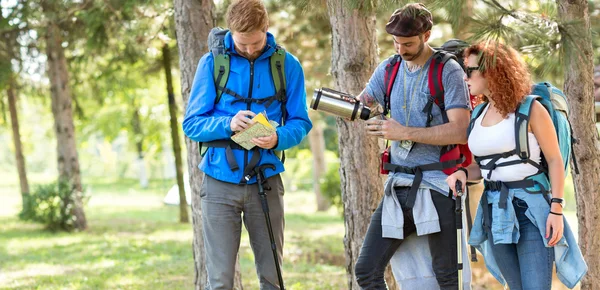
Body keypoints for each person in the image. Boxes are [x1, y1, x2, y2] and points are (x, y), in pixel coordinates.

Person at [182, 0, 312, 289]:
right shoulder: (212, 63)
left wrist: (279, 137)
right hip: (218, 182)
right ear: (231, 31)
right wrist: (227, 124)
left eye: (255, 43)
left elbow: (300, 122)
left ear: (266, 28)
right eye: (242, 44)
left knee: (272, 276)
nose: (250, 50)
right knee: (220, 280)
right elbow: (191, 125)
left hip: (266, 180)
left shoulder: (287, 65)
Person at [446, 41, 587, 290]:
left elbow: (553, 159)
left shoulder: (530, 109)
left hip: (530, 211)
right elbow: (485, 167)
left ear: (492, 71)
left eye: (469, 71)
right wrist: (462, 172)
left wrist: (556, 209)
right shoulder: (478, 114)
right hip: (494, 212)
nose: (464, 77)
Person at [353, 3, 471, 289]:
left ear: (426, 35)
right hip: (398, 185)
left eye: (407, 43)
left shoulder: (447, 70)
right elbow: (363, 102)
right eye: (395, 43)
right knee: (366, 271)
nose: (400, 50)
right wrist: (365, 115)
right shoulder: (390, 67)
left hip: (440, 185)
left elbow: (461, 130)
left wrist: (403, 131)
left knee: (448, 279)